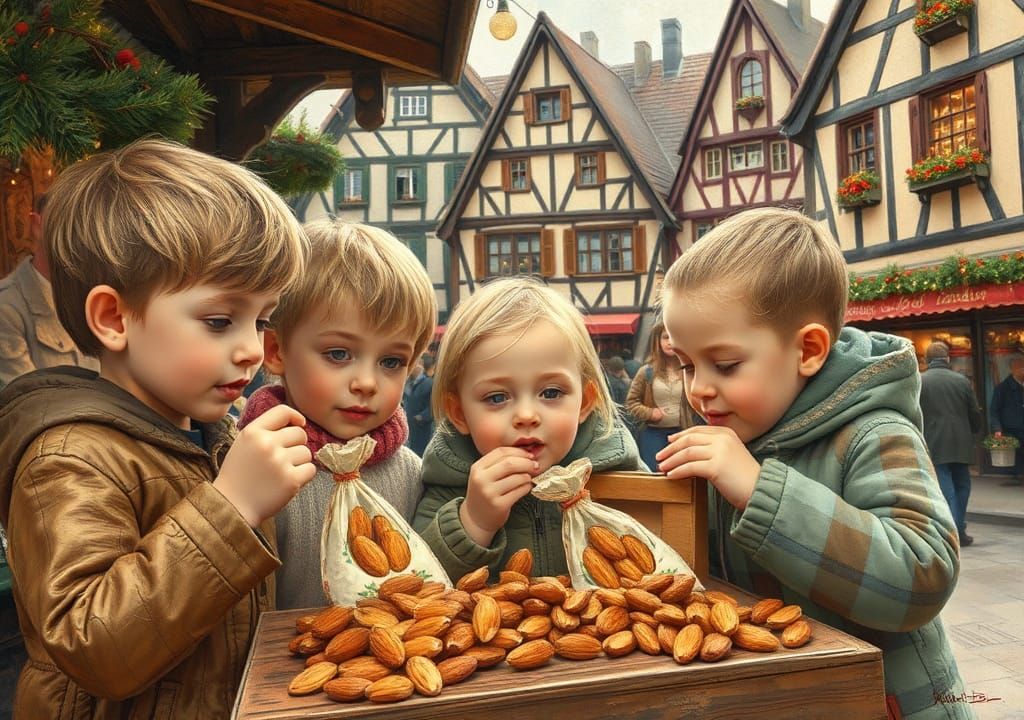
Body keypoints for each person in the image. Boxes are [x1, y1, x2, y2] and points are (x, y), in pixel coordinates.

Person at [0, 138, 315, 719]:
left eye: (262, 319)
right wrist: (231, 507)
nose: (251, 349)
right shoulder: (68, 458)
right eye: (220, 320)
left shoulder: (209, 437)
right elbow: (94, 647)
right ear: (115, 318)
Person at [655, 208, 967, 719]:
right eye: (687, 364)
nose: (699, 387)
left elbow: (922, 574)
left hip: (889, 703)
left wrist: (760, 492)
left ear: (808, 350)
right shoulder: (730, 439)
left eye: (726, 365)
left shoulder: (872, 432)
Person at [240, 220, 435, 610]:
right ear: (276, 351)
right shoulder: (251, 469)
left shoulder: (414, 473)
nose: (366, 382)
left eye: (391, 361)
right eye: (339, 354)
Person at [413, 278, 644, 580]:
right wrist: (473, 522)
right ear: (460, 414)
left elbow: (672, 559)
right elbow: (416, 582)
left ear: (585, 402)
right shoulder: (449, 483)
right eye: (497, 398)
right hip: (491, 627)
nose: (526, 416)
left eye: (550, 393)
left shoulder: (623, 473)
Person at [0, 193, 99, 385]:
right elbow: (25, 404)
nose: (79, 234)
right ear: (37, 225)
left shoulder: (94, 297)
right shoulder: (7, 308)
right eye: (66, 221)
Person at [919, 341, 982, 547]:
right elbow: (974, 412)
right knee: (963, 485)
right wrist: (974, 430)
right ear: (947, 358)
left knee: (946, 486)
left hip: (934, 441)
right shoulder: (962, 381)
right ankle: (958, 528)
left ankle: (953, 530)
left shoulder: (920, 381)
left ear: (927, 360)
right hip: (961, 441)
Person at [626, 321, 697, 471]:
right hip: (652, 435)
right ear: (658, 341)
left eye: (674, 337)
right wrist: (650, 413)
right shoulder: (646, 371)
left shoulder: (691, 369)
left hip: (683, 432)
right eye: (666, 337)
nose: (670, 342)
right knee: (653, 476)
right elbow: (631, 403)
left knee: (682, 476)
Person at [988, 354, 1024, 485]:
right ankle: (1016, 477)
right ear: (1013, 370)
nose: (1023, 370)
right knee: (1016, 455)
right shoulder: (1002, 388)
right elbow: (994, 410)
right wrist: (997, 428)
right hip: (1011, 428)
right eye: (1021, 368)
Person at [406, 353, 436, 456]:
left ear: (420, 365)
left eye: (413, 363)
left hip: (422, 429)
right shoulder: (411, 382)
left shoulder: (429, 383)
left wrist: (421, 417)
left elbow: (434, 406)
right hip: (410, 427)